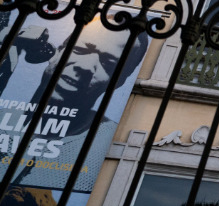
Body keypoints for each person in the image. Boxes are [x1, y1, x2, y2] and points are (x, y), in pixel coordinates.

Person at [0, 19, 150, 196]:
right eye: (80, 50)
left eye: (107, 63)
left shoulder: (99, 145)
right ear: (58, 52)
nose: (85, 67)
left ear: (120, 81)